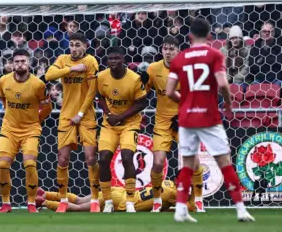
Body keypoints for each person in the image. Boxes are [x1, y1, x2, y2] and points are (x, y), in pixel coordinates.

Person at [166, 17, 255, 223]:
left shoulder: (179, 58)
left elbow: (170, 91)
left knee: (187, 163)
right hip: (209, 115)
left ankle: (180, 209)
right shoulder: (214, 54)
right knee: (224, 161)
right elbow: (223, 84)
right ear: (209, 35)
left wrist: (185, 101)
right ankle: (240, 209)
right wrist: (228, 103)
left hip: (187, 117)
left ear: (189, 35)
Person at [144, 36, 206, 213]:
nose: (168, 52)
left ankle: (199, 200)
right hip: (162, 122)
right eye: (165, 48)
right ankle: (157, 200)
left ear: (178, 51)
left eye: (172, 49)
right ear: (161, 50)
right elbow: (142, 92)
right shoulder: (153, 69)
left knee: (193, 162)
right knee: (158, 163)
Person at [44, 33, 100, 212]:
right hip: (67, 116)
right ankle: (62, 199)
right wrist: (71, 69)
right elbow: (48, 75)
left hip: (86, 116)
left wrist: (81, 113)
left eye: (78, 45)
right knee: (62, 158)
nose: (74, 48)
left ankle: (95, 199)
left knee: (90, 157)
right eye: (72, 45)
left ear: (85, 46)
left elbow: (92, 91)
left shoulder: (91, 61)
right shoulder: (63, 59)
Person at [0, 49, 50, 213]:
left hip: (30, 130)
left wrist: (37, 121)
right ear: (12, 64)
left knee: (30, 163)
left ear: (29, 63)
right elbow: (3, 99)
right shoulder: (4, 81)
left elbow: (47, 106)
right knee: (3, 164)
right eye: (17, 61)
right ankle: (6, 203)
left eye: (23, 61)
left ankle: (32, 203)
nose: (20, 64)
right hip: (9, 129)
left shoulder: (38, 84)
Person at [97, 46, 148, 213]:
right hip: (109, 124)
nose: (113, 62)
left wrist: (121, 117)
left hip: (130, 124)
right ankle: (108, 201)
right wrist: (109, 113)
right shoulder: (102, 77)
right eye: (110, 59)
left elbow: (142, 102)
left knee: (127, 157)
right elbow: (100, 97)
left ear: (123, 59)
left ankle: (130, 201)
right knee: (104, 159)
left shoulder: (134, 79)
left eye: (117, 58)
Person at [39, 179, 196, 212]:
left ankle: (46, 193)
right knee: (80, 207)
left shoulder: (168, 183)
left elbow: (166, 207)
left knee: (80, 199)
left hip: (119, 191)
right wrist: (195, 191)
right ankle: (45, 202)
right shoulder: (175, 194)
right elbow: (191, 207)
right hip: (119, 201)